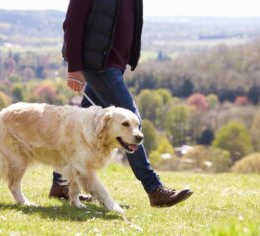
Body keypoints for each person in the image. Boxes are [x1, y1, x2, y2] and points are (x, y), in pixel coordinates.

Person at [48, 0, 193, 207]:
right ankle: (154, 189)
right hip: (98, 65)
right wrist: (74, 67)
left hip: (112, 65)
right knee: (131, 120)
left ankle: (61, 185)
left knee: (77, 128)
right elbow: (73, 23)